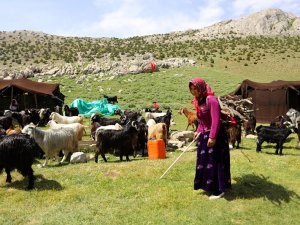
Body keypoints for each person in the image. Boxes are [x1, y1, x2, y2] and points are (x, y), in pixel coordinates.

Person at [189, 77, 231, 200]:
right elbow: (202, 121)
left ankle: (219, 189)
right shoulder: (199, 101)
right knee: (205, 162)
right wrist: (198, 131)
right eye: (191, 89)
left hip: (216, 135)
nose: (193, 91)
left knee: (215, 162)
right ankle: (208, 186)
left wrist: (212, 137)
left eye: (195, 88)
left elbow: (216, 120)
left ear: (201, 87)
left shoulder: (211, 100)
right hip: (204, 135)